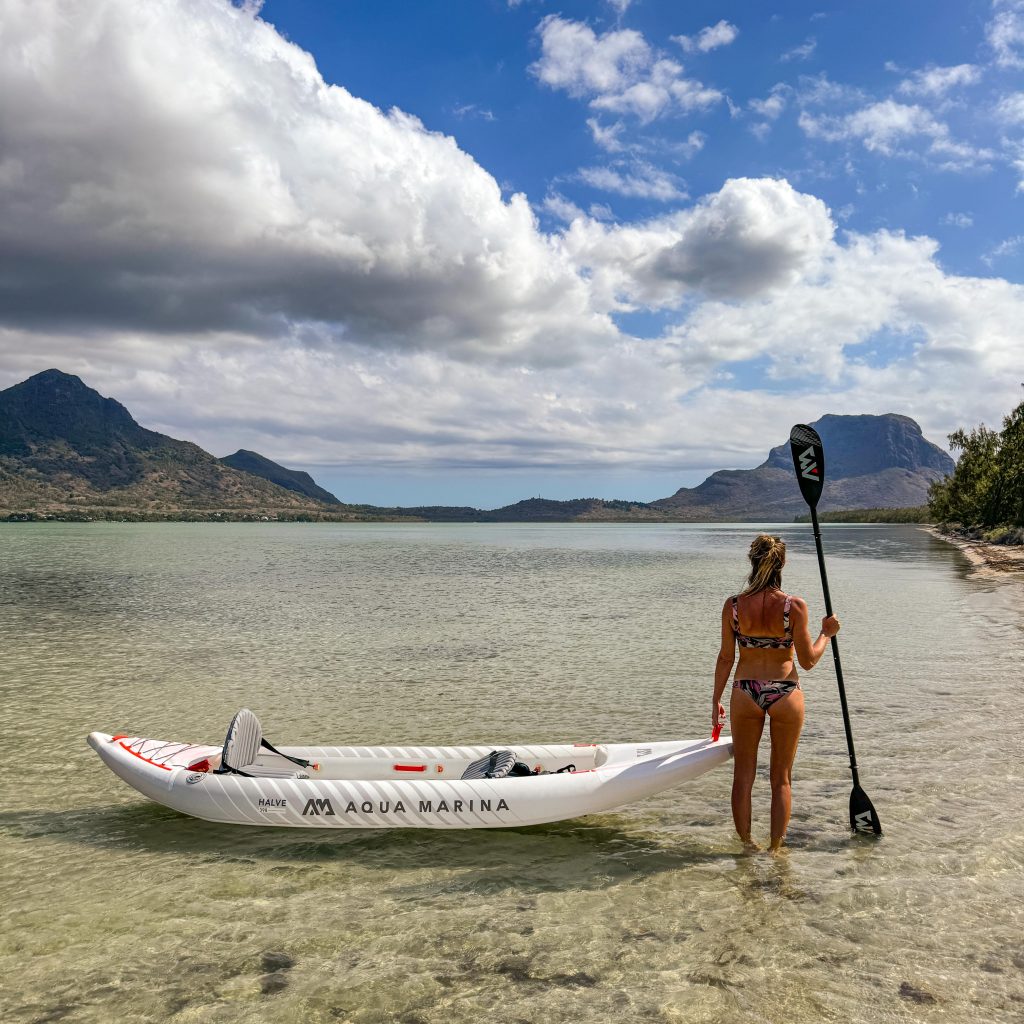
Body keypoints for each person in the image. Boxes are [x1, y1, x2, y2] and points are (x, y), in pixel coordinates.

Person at [712, 534, 840, 854]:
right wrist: (826, 633)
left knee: (743, 777)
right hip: (785, 691)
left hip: (745, 690)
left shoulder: (734, 606)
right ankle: (776, 850)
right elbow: (808, 661)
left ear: (751, 561)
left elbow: (726, 657)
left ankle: (745, 847)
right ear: (782, 564)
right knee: (780, 778)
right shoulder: (794, 606)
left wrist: (715, 700)